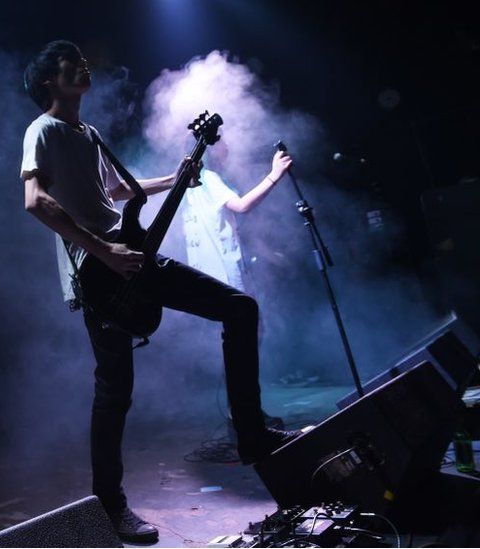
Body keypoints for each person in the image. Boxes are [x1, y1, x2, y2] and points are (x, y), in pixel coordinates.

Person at [20, 40, 299, 544]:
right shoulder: (43, 130)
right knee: (114, 393)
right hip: (99, 272)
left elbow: (118, 191)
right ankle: (110, 506)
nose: (82, 64)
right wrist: (103, 251)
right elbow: (35, 200)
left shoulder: (89, 133)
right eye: (69, 61)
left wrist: (176, 178)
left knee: (239, 308)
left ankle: (252, 434)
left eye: (82, 58)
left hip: (133, 255)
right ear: (48, 81)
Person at [180, 140, 293, 292]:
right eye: (220, 140)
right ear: (209, 149)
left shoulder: (188, 184)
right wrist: (275, 174)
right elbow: (242, 206)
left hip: (203, 275)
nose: (227, 145)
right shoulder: (208, 178)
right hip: (224, 275)